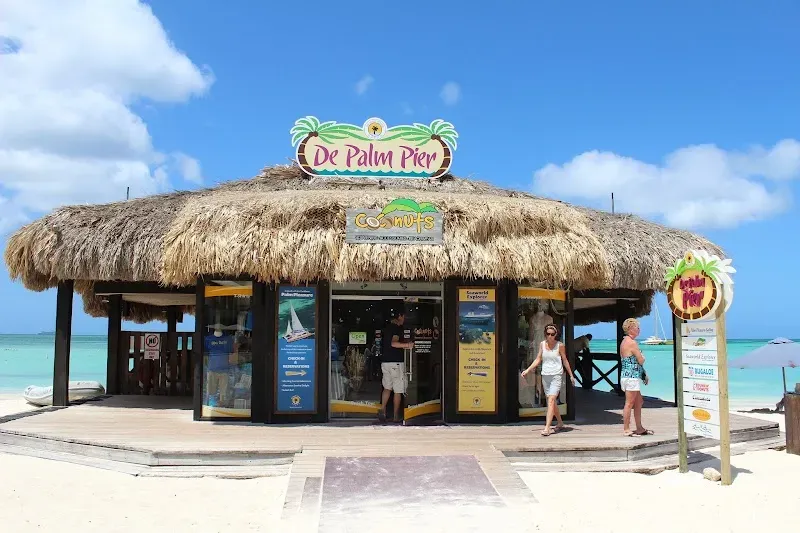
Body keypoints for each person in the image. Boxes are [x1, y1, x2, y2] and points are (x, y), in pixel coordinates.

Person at [521, 323, 577, 436]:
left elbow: (565, 360)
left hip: (557, 375)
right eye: (548, 334)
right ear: (545, 334)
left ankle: (547, 428)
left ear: (556, 334)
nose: (550, 336)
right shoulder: (542, 344)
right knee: (551, 401)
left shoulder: (560, 345)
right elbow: (538, 359)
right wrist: (528, 370)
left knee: (551, 400)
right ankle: (560, 422)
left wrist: (571, 375)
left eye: (552, 334)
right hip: (545, 375)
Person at [378, 309, 413, 423]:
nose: (405, 320)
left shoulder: (386, 328)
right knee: (398, 390)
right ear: (400, 316)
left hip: (385, 363)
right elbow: (394, 343)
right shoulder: (396, 328)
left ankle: (382, 410)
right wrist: (407, 345)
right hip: (395, 363)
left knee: (387, 388)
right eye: (404, 317)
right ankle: (395, 416)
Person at [620, 318, 653, 436]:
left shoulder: (624, 341)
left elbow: (633, 362)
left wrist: (643, 374)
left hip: (628, 376)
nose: (639, 330)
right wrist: (642, 356)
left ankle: (639, 427)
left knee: (639, 401)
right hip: (631, 377)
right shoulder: (632, 343)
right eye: (637, 327)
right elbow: (640, 360)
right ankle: (626, 429)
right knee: (629, 403)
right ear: (630, 329)